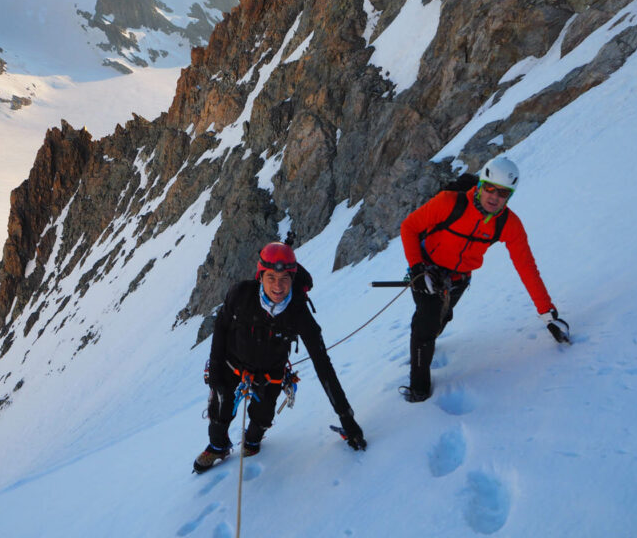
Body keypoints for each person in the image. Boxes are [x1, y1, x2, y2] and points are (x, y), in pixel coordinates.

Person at [398, 156, 570, 403]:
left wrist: (547, 314)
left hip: (458, 279)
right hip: (427, 270)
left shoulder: (508, 224)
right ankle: (419, 390)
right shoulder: (449, 203)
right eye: (490, 188)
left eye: (503, 193)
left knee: (442, 317)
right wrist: (416, 269)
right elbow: (409, 227)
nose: (494, 197)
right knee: (425, 322)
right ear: (480, 185)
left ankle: (430, 338)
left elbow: (527, 268)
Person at [194, 241, 366, 473]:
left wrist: (346, 417)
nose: (278, 286)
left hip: (270, 372)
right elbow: (221, 329)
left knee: (262, 417)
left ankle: (253, 442)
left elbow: (323, 365)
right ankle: (217, 446)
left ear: (293, 279)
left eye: (285, 278)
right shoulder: (240, 295)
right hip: (231, 364)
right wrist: (215, 373)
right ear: (260, 277)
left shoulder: (298, 312)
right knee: (219, 411)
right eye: (271, 278)